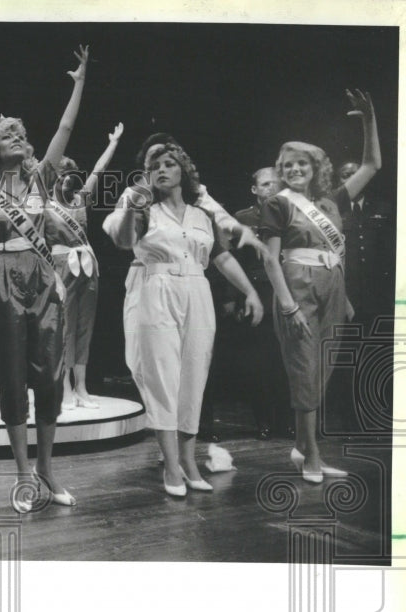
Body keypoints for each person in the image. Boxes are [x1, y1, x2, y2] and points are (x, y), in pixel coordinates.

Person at [0, 46, 88, 513]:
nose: (18, 137)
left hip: (43, 278)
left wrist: (78, 82)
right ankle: (22, 475)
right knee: (11, 378)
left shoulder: (41, 180)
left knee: (50, 375)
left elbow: (65, 129)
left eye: (21, 133)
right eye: (8, 133)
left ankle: (48, 470)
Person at [103, 138, 265, 497]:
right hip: (154, 288)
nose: (162, 169)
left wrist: (250, 292)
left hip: (196, 290)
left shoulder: (202, 215)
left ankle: (190, 461)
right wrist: (134, 202)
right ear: (146, 174)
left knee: (194, 374)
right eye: (154, 165)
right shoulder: (141, 207)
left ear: (183, 171)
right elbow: (123, 240)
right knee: (162, 376)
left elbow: (221, 258)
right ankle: (171, 465)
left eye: (169, 164)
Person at [260, 90, 381, 482]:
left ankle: (303, 446)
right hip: (298, 289)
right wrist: (287, 306)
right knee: (304, 370)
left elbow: (373, 164)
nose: (294, 169)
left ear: (315, 168)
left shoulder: (331, 203)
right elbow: (269, 258)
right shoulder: (278, 203)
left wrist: (369, 119)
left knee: (320, 372)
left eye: (301, 163)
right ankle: (311, 455)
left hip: (333, 288)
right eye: (287, 164)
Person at [46, 122, 123, 410]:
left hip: (88, 266)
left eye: (69, 175)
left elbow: (98, 172)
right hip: (60, 266)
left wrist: (113, 143)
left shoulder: (81, 199)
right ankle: (64, 387)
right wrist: (52, 276)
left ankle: (81, 386)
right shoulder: (43, 206)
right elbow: (40, 245)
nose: (66, 179)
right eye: (60, 175)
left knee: (85, 326)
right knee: (63, 327)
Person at [212, 167, 292, 440]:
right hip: (255, 292)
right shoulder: (242, 219)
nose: (272, 188)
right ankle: (263, 421)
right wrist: (232, 297)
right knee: (259, 364)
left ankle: (286, 421)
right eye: (266, 184)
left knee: (285, 363)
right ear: (254, 189)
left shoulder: (291, 213)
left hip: (285, 292)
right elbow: (228, 260)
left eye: (276, 183)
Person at [335, 161, 394, 328]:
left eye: (356, 173)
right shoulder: (334, 212)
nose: (352, 178)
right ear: (339, 182)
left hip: (379, 292)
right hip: (347, 293)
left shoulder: (385, 208)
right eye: (346, 175)